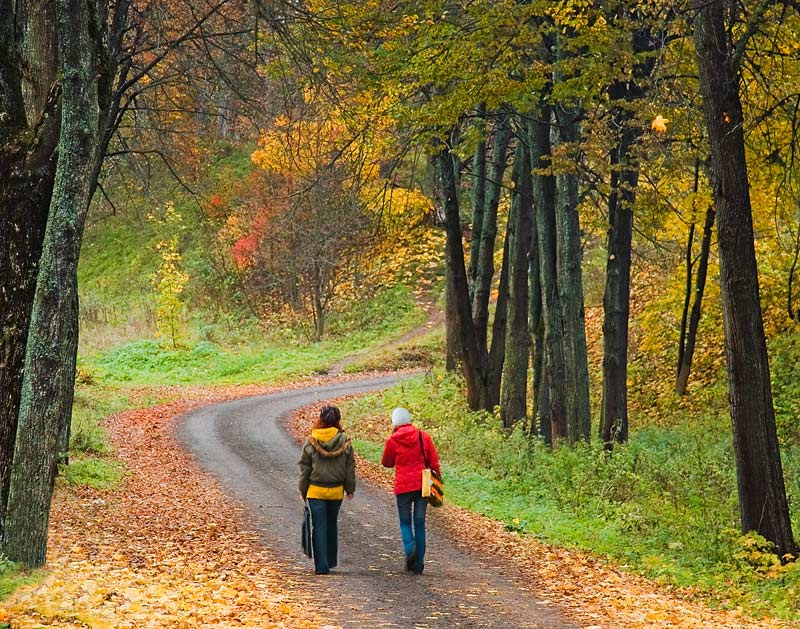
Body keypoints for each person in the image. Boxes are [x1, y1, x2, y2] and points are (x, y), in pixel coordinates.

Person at [381, 407, 440, 575]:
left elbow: (387, 462)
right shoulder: (423, 436)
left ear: (394, 422)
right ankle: (418, 565)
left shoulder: (392, 440)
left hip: (403, 487)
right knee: (420, 523)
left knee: (405, 522)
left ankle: (410, 548)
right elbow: (434, 462)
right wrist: (437, 481)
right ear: (409, 420)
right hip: (423, 485)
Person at [298, 404, 355, 575]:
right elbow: (349, 467)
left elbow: (305, 468)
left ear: (320, 420)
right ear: (338, 421)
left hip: (316, 491)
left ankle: (321, 566)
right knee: (331, 525)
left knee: (318, 526)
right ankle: (330, 560)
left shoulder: (311, 441)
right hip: (336, 491)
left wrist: (303, 490)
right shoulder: (344, 441)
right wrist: (349, 488)